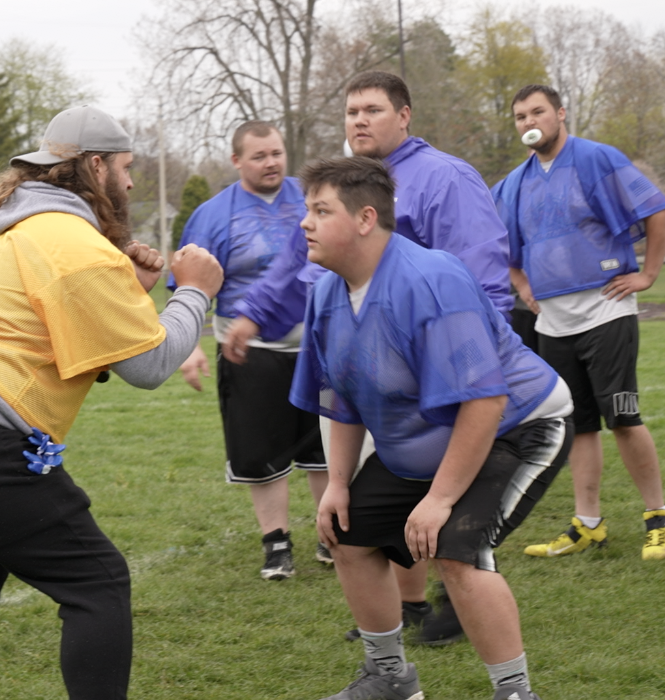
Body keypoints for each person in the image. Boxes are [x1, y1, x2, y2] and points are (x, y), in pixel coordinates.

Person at [0, 105, 224, 700]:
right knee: (99, 582)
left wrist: (125, 292)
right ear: (95, 165)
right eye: (126, 167)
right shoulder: (74, 242)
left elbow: (47, 339)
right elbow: (150, 366)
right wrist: (195, 292)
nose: (132, 182)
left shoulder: (1, 231)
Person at [227, 71, 514, 644]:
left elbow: (482, 277)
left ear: (405, 116)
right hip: (364, 367)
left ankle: (464, 590)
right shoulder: (341, 185)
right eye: (352, 110)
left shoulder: (443, 178)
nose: (359, 120)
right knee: (375, 501)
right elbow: (295, 265)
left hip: (434, 374)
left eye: (373, 110)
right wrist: (255, 313)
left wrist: (478, 362)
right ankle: (404, 608)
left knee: (446, 495)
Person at [293, 156, 574, 700]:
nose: (304, 222)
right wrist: (338, 484)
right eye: (307, 210)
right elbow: (343, 401)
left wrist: (441, 498)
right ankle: (390, 679)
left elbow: (485, 401)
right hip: (433, 440)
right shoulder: (325, 295)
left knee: (454, 548)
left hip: (518, 425)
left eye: (320, 210)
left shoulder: (431, 279)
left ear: (365, 218)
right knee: (346, 534)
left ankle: (515, 694)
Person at [495, 84, 665, 561]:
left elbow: (656, 208)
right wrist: (524, 285)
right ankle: (588, 524)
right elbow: (502, 246)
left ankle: (659, 518)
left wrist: (649, 274)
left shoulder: (597, 158)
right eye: (519, 115)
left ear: (560, 113)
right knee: (577, 426)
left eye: (537, 111)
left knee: (623, 418)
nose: (528, 120)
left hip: (607, 310)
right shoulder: (514, 183)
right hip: (553, 322)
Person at [170, 120, 326, 581]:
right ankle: (276, 543)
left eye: (276, 153)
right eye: (259, 156)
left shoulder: (312, 197)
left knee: (327, 449)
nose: (271, 162)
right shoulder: (214, 214)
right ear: (237, 160)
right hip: (250, 349)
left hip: (320, 346)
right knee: (262, 450)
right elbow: (187, 283)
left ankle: (330, 533)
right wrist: (189, 346)